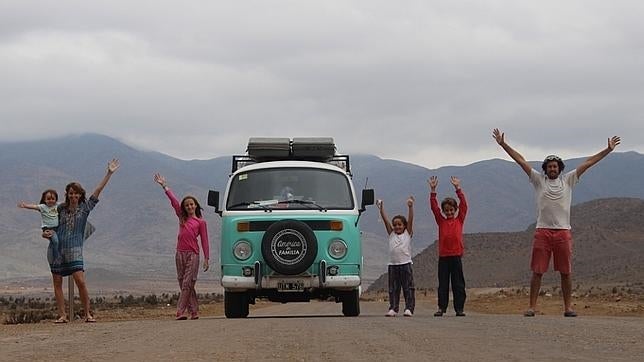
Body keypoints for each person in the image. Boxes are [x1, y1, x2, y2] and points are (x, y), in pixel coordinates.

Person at [493, 128, 621, 317]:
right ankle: (532, 306)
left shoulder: (569, 180)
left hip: (563, 232)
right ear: (545, 168)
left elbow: (588, 163)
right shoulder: (538, 180)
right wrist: (503, 144)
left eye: (555, 166)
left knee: (566, 272)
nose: (552, 169)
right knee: (537, 271)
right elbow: (521, 161)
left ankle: (568, 307)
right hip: (542, 232)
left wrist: (607, 150)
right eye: (549, 166)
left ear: (560, 168)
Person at [42, 159, 120, 323]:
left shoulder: (85, 208)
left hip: (75, 250)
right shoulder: (60, 208)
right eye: (70, 193)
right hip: (56, 250)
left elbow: (98, 190)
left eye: (76, 193)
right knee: (57, 282)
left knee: (80, 281)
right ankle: (62, 315)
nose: (73, 196)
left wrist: (109, 173)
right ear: (67, 194)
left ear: (80, 194)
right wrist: (46, 233)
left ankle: (87, 314)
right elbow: (48, 219)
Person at [154, 173, 210, 320]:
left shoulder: (201, 222)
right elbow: (173, 201)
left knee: (187, 282)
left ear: (196, 205)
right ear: (184, 208)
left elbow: (204, 240)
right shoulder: (182, 217)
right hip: (180, 253)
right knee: (183, 281)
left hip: (193, 254)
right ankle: (194, 311)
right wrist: (164, 186)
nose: (189, 206)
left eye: (191, 204)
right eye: (187, 205)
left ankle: (180, 311)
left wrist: (207, 258)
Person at [428, 176, 468, 317]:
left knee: (458, 284)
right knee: (443, 284)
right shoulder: (441, 221)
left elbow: (464, 204)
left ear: (455, 210)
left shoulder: (459, 219)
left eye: (452, 210)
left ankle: (459, 309)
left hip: (456, 256)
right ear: (444, 211)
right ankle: (441, 308)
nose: (449, 212)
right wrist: (433, 191)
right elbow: (434, 208)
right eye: (447, 210)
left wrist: (458, 188)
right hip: (444, 257)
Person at [377, 196, 416, 317]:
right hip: (393, 265)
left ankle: (409, 308)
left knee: (408, 287)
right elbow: (385, 220)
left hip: (405, 264)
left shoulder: (407, 234)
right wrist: (381, 208)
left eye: (400, 224)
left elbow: (411, 219)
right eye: (395, 225)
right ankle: (393, 308)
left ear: (404, 226)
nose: (397, 227)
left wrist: (410, 207)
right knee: (393, 288)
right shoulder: (391, 234)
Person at [18, 189, 62, 265]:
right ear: (44, 199)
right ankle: (56, 257)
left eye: (52, 199)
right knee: (55, 241)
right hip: (49, 229)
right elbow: (34, 206)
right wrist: (25, 206)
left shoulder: (57, 205)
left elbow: (66, 203)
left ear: (56, 199)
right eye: (48, 199)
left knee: (60, 241)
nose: (50, 201)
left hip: (57, 228)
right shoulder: (43, 207)